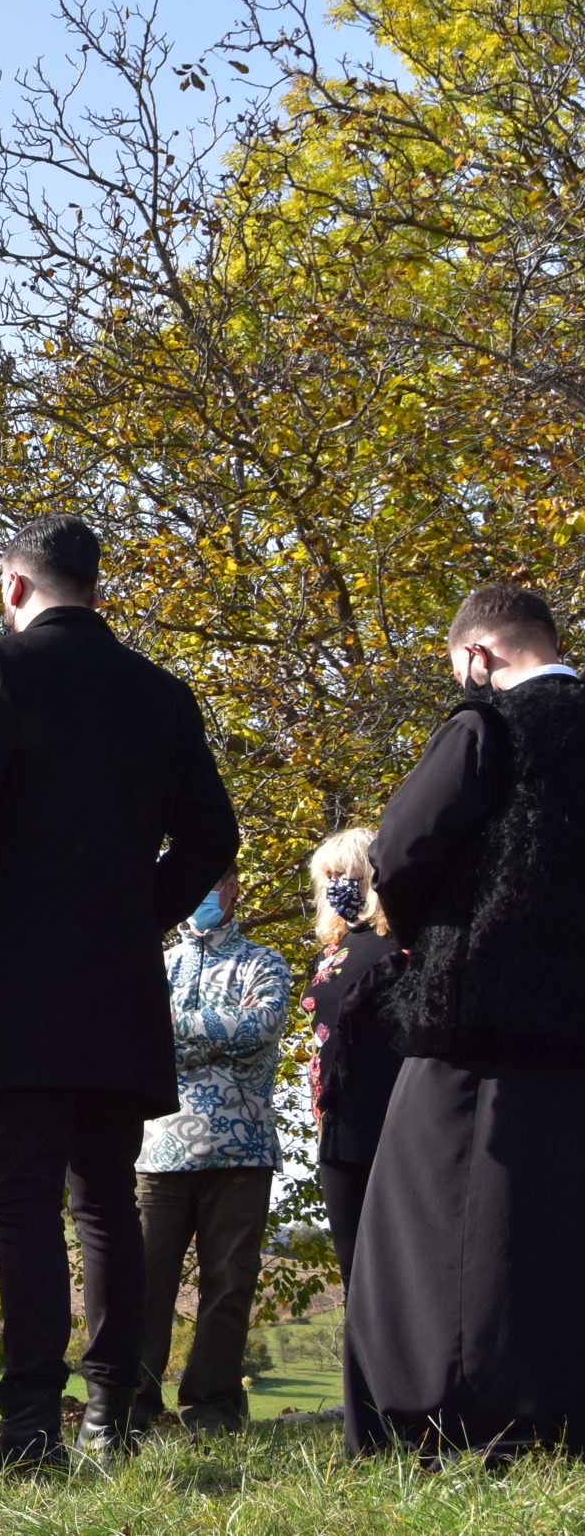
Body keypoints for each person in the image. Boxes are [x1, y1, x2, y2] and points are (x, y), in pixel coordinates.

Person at [0, 515, 238, 1471]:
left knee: (22, 1199)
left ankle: (30, 1426)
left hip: (11, 976)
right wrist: (142, 911)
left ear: (14, 586)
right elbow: (216, 837)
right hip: (118, 981)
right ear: (95, 586)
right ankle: (113, 1414)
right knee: (106, 1204)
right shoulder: (163, 696)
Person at [351, 584, 585, 1458]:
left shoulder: (487, 728)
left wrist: (432, 934)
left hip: (478, 1017)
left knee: (438, 1219)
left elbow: (400, 849)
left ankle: (438, 1415)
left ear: (479, 656)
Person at [133, 871, 289, 1435]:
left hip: (241, 1150)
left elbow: (262, 1025)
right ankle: (134, 1407)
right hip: (158, 1150)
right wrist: (220, 1034)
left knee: (229, 1285)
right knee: (145, 1286)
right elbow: (131, 1033)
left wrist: (172, 1027)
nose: (201, 893)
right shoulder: (153, 963)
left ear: (233, 888)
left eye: (213, 882)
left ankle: (212, 1408)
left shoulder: (262, 961)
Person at [299, 828, 401, 1288]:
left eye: (348, 874)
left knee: (397, 1265)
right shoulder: (331, 952)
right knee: (353, 1268)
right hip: (337, 1126)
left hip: (395, 1121)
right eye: (330, 876)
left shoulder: (408, 943)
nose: (338, 883)